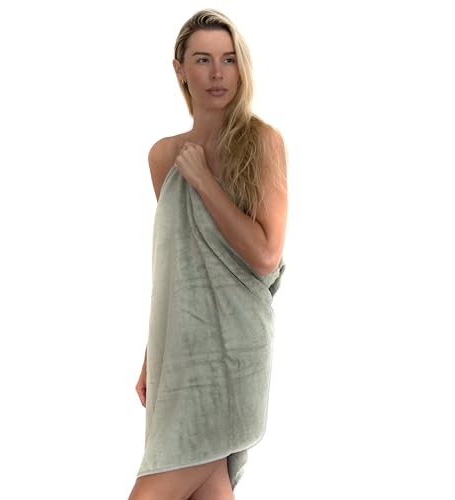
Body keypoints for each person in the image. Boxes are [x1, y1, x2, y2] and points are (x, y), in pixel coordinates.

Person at [128, 9, 287, 500]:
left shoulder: (261, 143)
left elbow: (266, 255)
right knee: (209, 489)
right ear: (180, 69)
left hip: (236, 351)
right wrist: (152, 354)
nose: (218, 73)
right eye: (202, 60)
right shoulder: (163, 156)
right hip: (181, 353)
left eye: (228, 59)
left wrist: (203, 180)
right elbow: (177, 268)